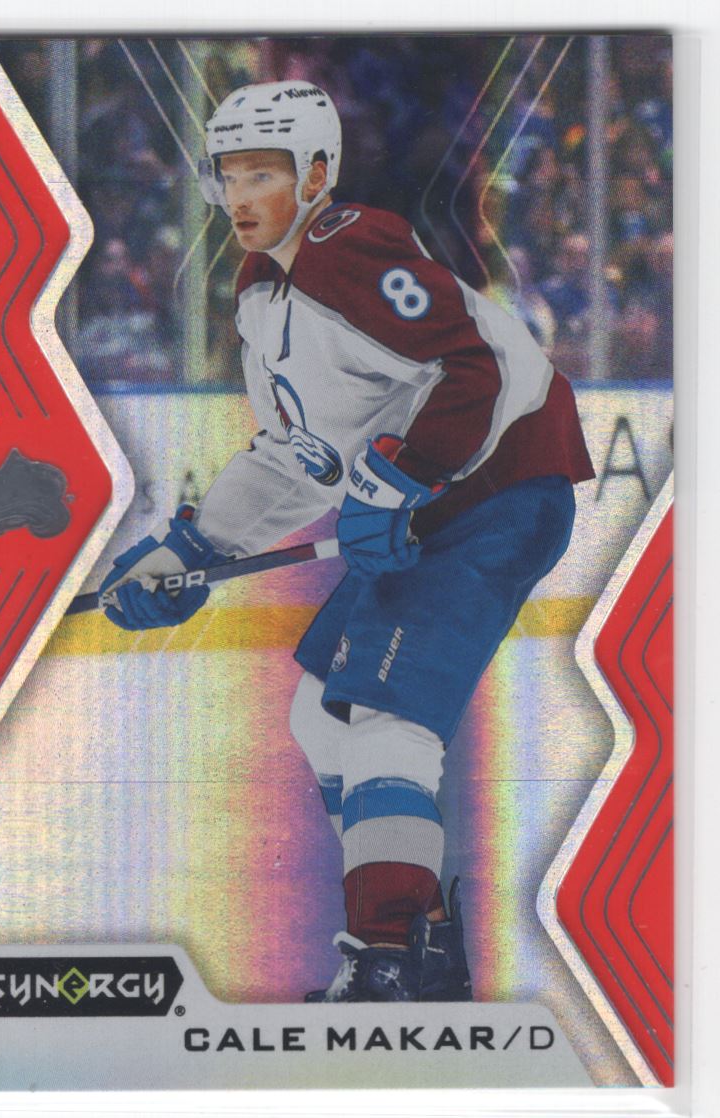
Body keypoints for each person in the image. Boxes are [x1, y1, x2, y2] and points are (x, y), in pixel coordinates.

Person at [99, 80, 595, 1003]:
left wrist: (401, 480)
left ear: (317, 176)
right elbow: (299, 454)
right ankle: (424, 945)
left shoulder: (349, 247)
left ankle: (386, 954)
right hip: (434, 509)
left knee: (383, 722)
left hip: (496, 495)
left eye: (263, 173)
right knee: (321, 713)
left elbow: (471, 371)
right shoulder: (262, 290)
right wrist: (193, 548)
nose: (240, 195)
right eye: (227, 174)